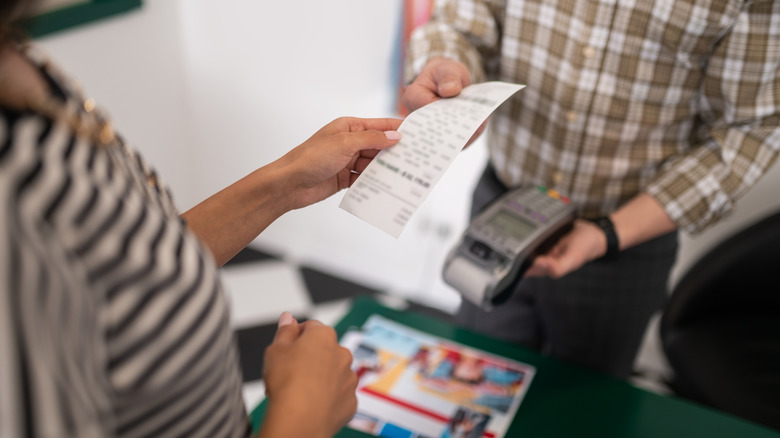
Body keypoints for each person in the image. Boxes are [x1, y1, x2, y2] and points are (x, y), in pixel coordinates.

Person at [0, 2, 403, 437]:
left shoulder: (22, 63)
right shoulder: (14, 190)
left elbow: (131, 270)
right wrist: (306, 410)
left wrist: (288, 181)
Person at [403, 0, 780, 379]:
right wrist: (445, 62)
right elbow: (462, 23)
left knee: (583, 403)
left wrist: (610, 233)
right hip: (502, 209)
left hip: (625, 241)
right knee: (474, 375)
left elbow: (752, 127)